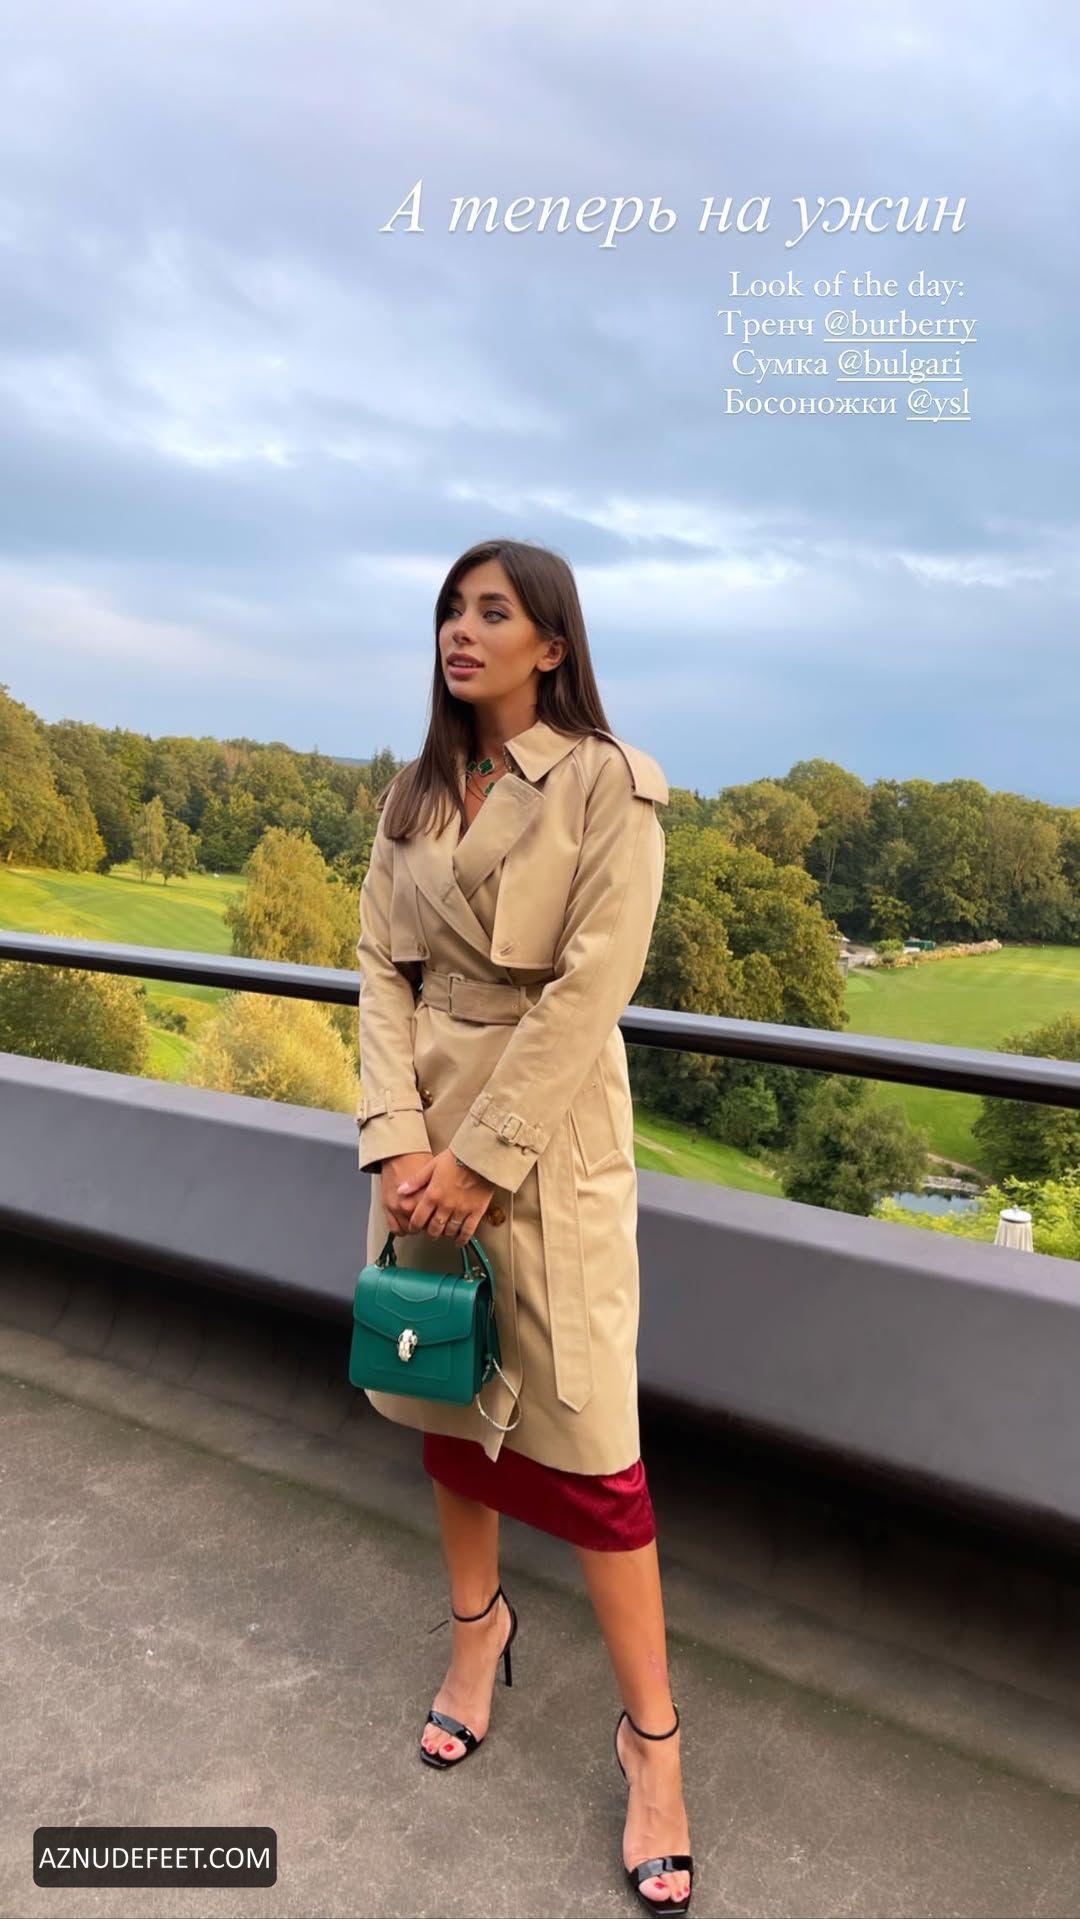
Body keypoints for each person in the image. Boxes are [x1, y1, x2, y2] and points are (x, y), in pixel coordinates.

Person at [355, 537, 693, 1912]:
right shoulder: (414, 791)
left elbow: (590, 987)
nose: (461, 629)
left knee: (597, 1456)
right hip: (422, 1140)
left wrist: (482, 1161)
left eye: (492, 611)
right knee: (444, 1394)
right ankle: (477, 1632)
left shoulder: (611, 785)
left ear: (552, 644)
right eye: (451, 608)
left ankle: (653, 1745)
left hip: (547, 1149)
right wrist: (397, 1138)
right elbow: (379, 966)